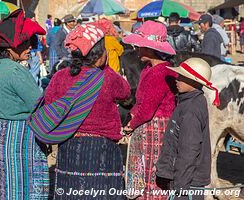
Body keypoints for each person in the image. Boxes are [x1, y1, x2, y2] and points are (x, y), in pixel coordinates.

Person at [44, 23, 130, 199]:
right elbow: (125, 92)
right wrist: (104, 66)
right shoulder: (108, 77)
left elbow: (49, 103)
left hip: (69, 147)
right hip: (103, 151)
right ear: (99, 54)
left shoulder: (60, 77)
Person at [0, 9, 49, 199]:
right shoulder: (15, 71)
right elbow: (38, 102)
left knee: (4, 188)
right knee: (21, 188)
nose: (30, 48)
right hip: (18, 139)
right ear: (10, 47)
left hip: (0, 136)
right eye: (25, 43)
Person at [122, 20, 177, 200]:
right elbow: (141, 101)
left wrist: (131, 125)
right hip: (149, 124)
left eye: (140, 46)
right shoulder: (149, 69)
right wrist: (132, 115)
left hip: (157, 128)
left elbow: (147, 109)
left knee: (151, 168)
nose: (137, 50)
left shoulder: (161, 72)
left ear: (150, 48)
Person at [156, 58, 220, 200]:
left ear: (194, 81)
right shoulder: (191, 102)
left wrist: (180, 186)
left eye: (182, 77)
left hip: (187, 183)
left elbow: (189, 150)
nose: (177, 80)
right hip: (188, 180)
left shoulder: (191, 110)